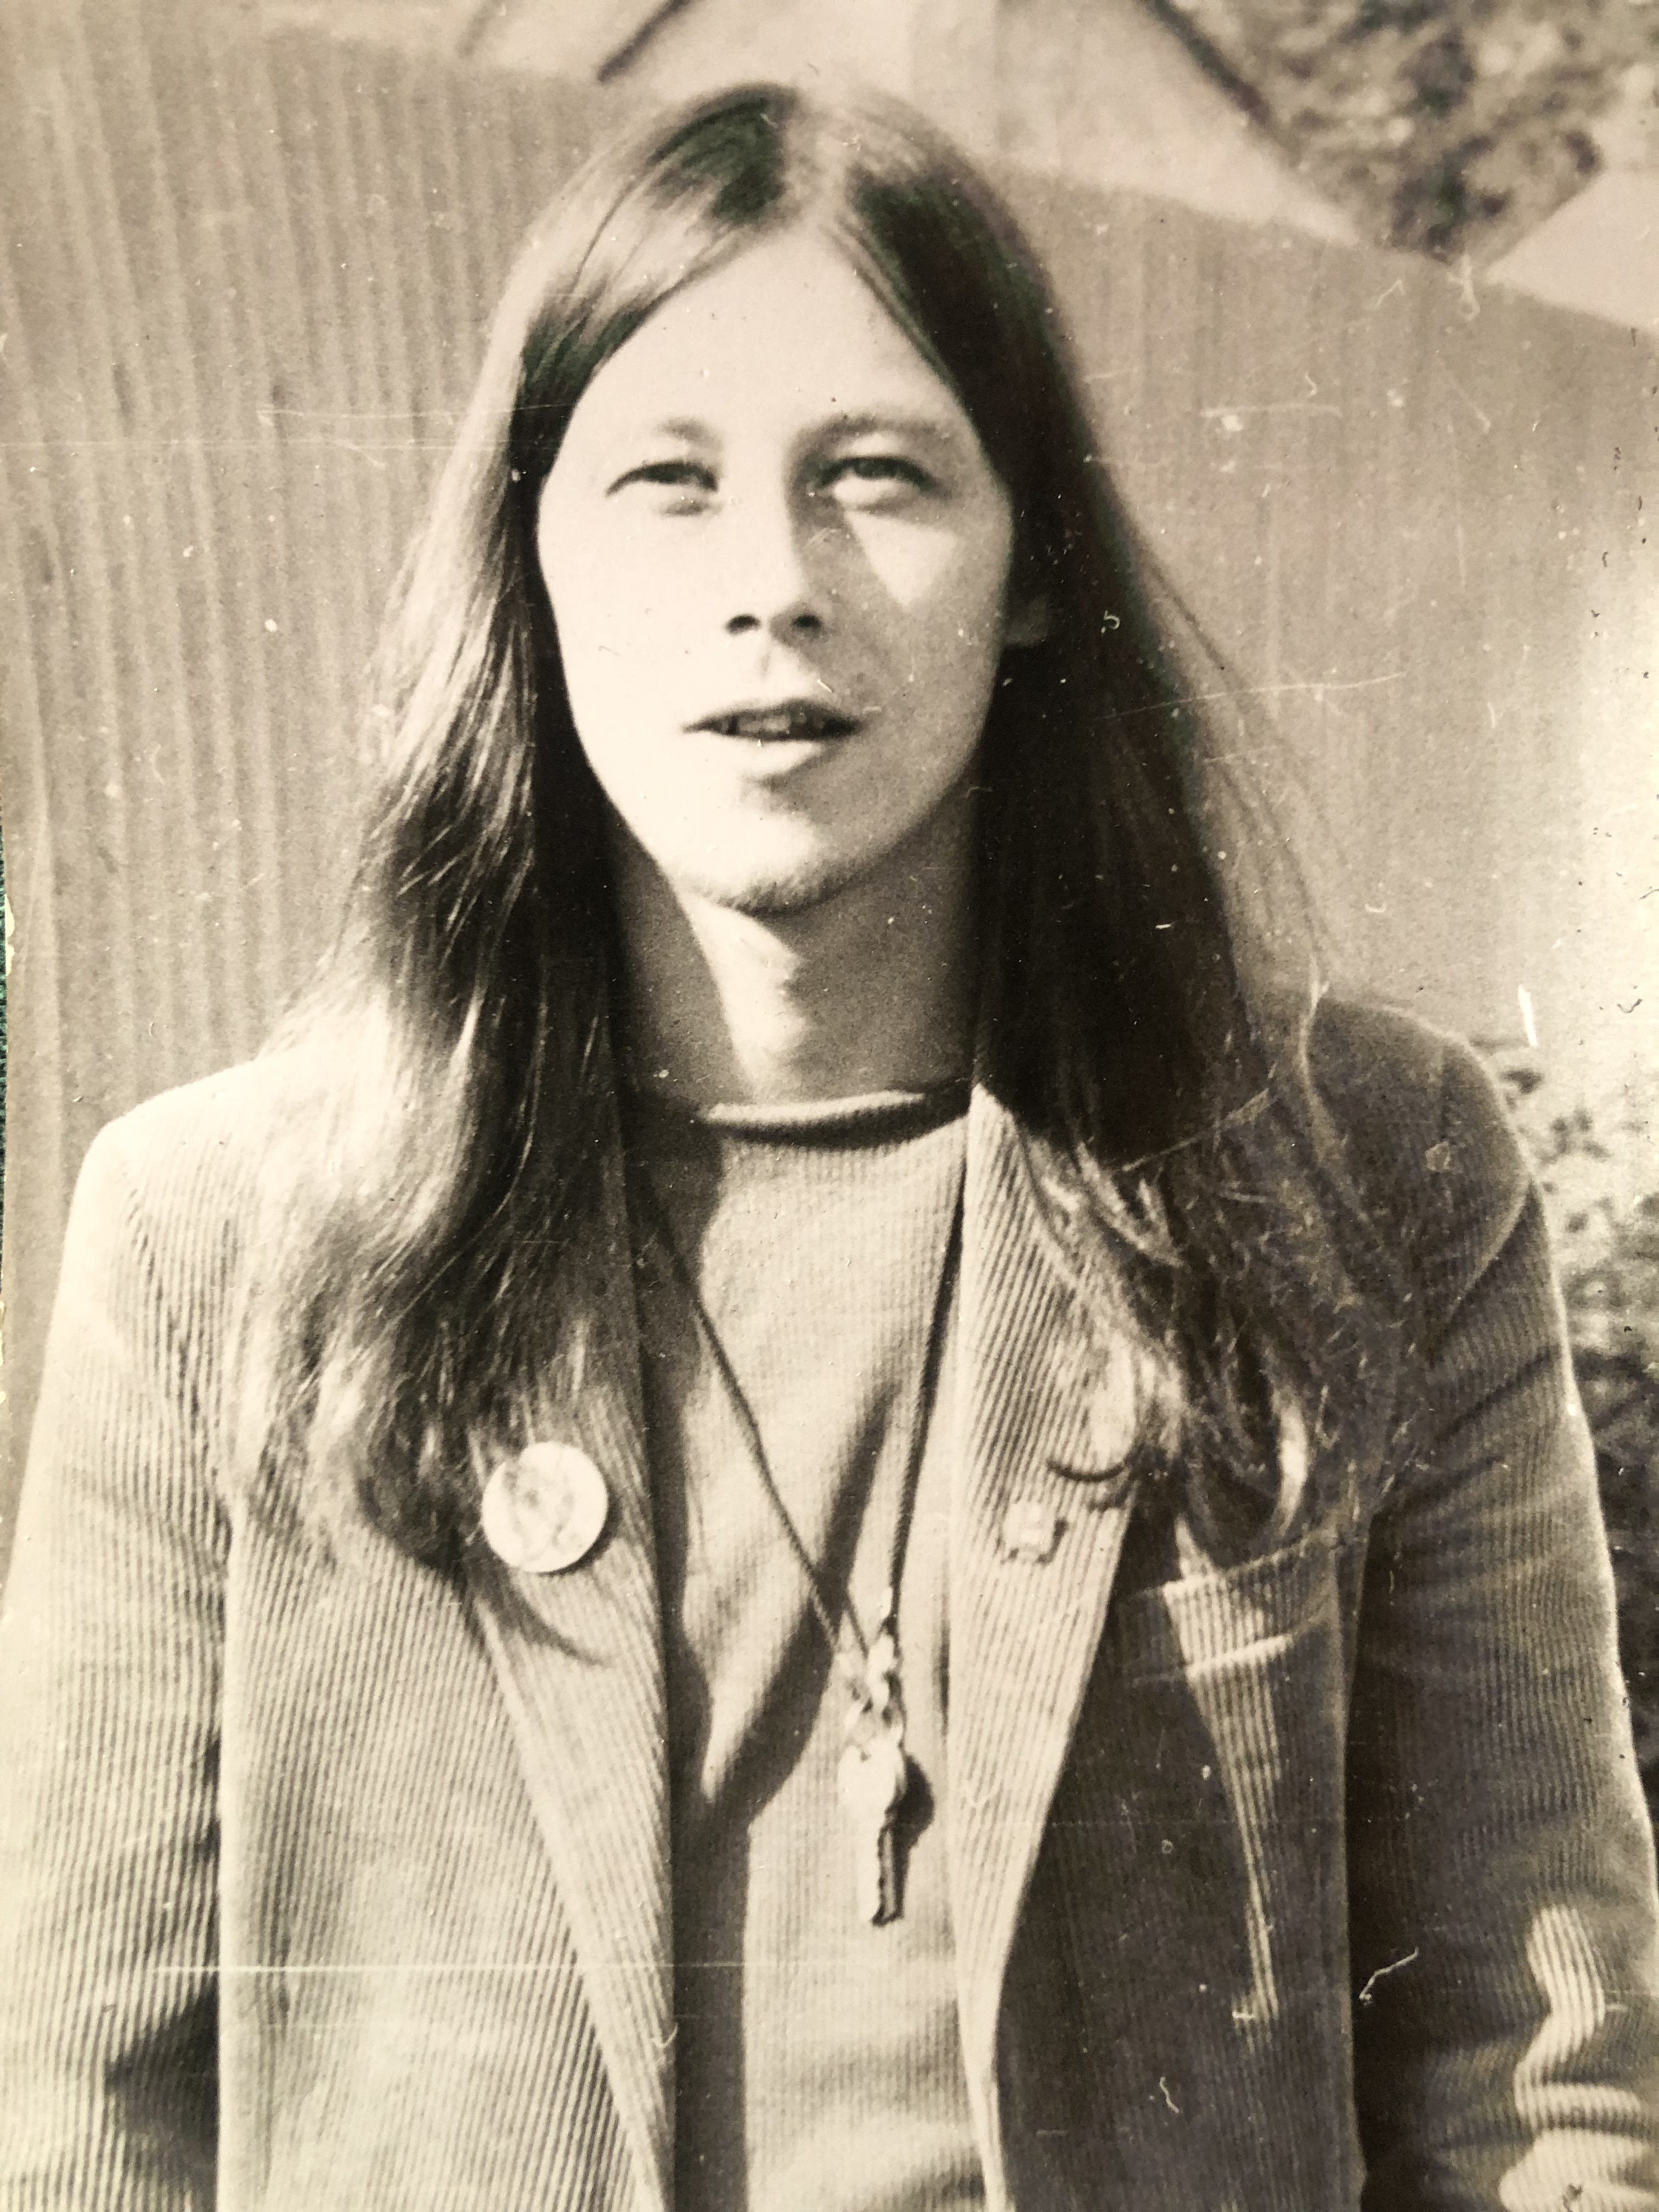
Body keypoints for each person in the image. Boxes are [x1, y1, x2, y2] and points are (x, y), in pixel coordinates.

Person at [1, 77, 1655, 2212]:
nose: (772, 585)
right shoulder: (220, 1244)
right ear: (530, 562)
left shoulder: (1361, 1175)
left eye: (877, 476)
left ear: (1035, 569)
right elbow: (74, 2114)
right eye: (668, 483)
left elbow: (1539, 2084)